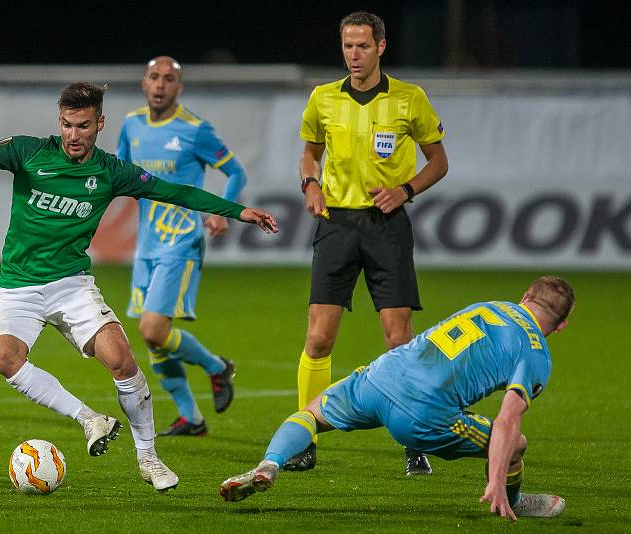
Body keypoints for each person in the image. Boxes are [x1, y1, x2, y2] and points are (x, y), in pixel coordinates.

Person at [0, 82, 278, 492]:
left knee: (122, 360)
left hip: (71, 286)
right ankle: (90, 419)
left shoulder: (110, 171)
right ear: (59, 122)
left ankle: (149, 457)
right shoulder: (28, 151)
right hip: (19, 287)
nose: (73, 135)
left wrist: (237, 210)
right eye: (67, 125)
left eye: (83, 126)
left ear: (99, 124)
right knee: (3, 357)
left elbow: (174, 191)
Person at [221, 276, 575, 521]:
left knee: (313, 413)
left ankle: (270, 463)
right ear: (561, 326)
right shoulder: (535, 353)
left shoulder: (491, 305)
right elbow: (507, 420)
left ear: (525, 296)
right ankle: (512, 501)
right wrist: (495, 480)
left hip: (385, 374)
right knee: (517, 444)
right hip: (423, 414)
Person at [289, 11, 449, 475]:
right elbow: (309, 152)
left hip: (387, 225)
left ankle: (414, 439)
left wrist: (407, 189)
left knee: (398, 340)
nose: (353, 55)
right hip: (336, 224)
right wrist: (309, 183)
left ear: (381, 46)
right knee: (318, 338)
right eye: (346, 46)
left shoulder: (409, 98)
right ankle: (303, 439)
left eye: (362, 46)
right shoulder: (323, 99)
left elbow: (438, 161)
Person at [116, 57, 246, 437]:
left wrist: (223, 213)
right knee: (153, 341)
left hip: (181, 241)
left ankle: (216, 367)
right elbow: (119, 174)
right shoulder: (131, 124)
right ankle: (192, 418)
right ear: (144, 83)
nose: (160, 85)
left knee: (154, 330)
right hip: (147, 246)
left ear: (179, 88)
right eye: (154, 78)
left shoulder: (195, 130)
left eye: (168, 80)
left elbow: (236, 171)